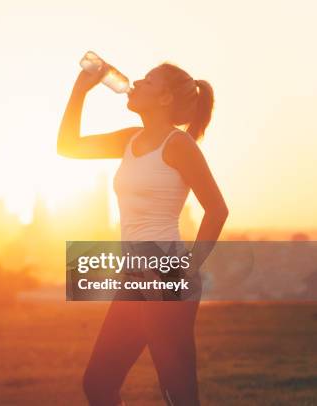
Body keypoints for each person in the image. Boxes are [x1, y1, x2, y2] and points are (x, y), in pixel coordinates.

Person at [57, 61, 228, 405]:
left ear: (165, 98)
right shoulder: (129, 140)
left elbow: (217, 209)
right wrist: (80, 90)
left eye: (148, 81)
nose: (135, 82)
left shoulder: (178, 145)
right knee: (99, 383)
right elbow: (68, 146)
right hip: (134, 276)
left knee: (177, 394)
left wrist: (187, 268)